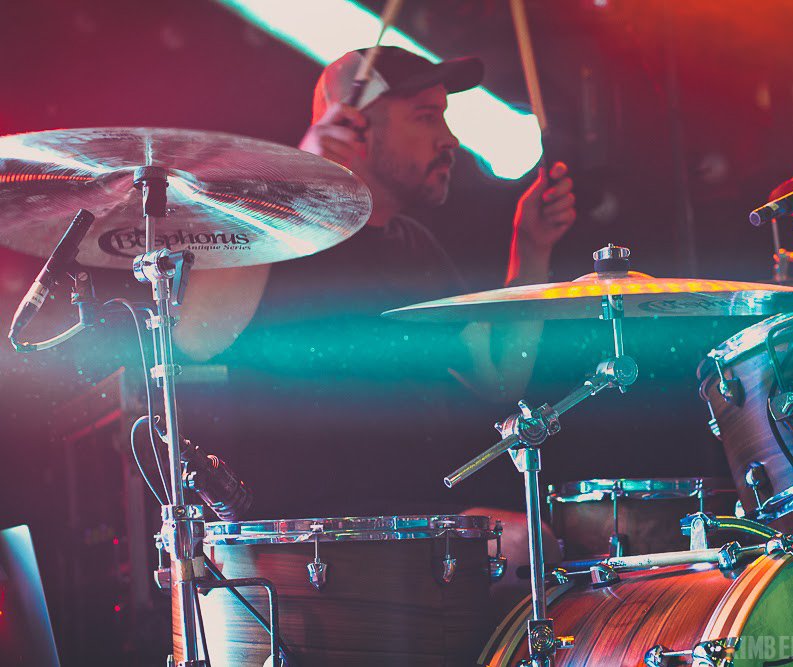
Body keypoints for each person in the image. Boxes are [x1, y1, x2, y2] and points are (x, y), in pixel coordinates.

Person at [174, 46, 575, 597]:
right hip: (299, 537)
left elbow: (498, 377)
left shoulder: (415, 246)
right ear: (354, 126)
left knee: (539, 544)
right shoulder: (278, 230)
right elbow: (195, 337)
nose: (450, 140)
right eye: (426, 117)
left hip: (412, 522)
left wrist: (531, 251)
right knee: (527, 545)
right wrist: (293, 181)